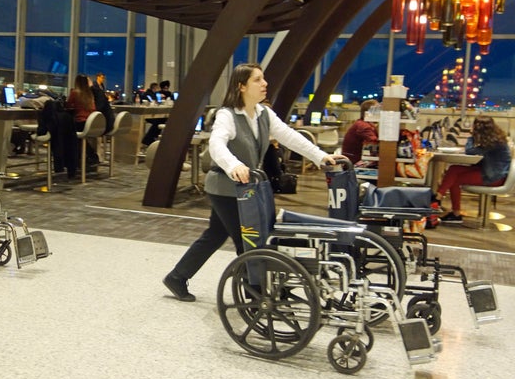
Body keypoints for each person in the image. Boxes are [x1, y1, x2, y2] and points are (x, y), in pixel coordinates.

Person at [162, 63, 344, 301]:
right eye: (258, 80)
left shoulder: (263, 114)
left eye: (263, 79)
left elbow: (290, 136)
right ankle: (255, 295)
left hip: (245, 188)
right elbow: (217, 144)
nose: (264, 83)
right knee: (246, 240)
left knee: (216, 234)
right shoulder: (226, 115)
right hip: (224, 187)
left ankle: (177, 277)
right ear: (242, 86)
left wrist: (321, 156)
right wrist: (234, 165)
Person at [433, 116, 511, 224]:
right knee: (453, 169)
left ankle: (446, 206)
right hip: (491, 173)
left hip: (493, 177)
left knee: (455, 179)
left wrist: (471, 136)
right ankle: (439, 197)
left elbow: (470, 151)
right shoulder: (495, 139)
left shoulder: (494, 142)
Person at [66, 74, 99, 165]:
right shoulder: (90, 95)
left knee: (67, 132)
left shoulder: (75, 92)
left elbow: (68, 106)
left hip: (81, 123)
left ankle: (76, 159)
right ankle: (88, 156)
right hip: (91, 123)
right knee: (77, 137)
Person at [341, 99, 379, 164]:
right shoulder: (364, 126)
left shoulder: (362, 123)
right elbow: (375, 142)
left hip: (351, 158)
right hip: (353, 161)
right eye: (378, 110)